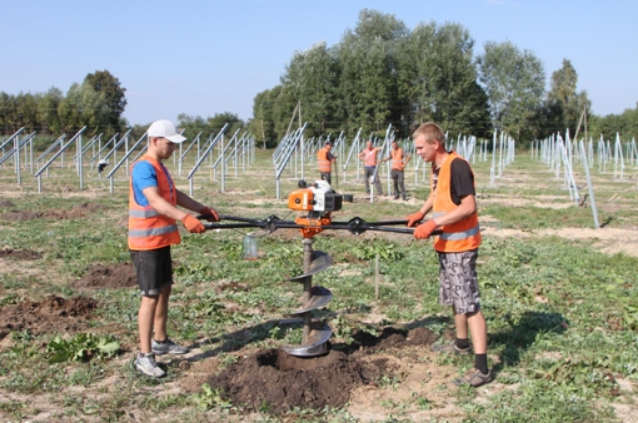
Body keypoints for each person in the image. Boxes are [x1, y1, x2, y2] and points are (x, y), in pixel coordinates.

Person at [129, 119, 219, 378]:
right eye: (170, 144)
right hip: (145, 243)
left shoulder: (159, 167)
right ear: (155, 140)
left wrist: (200, 209)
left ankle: (161, 339)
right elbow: (156, 201)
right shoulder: (143, 168)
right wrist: (184, 218)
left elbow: (173, 194)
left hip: (160, 241)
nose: (173, 149)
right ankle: (144, 356)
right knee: (150, 296)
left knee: (164, 290)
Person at [406, 122, 492, 388]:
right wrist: (421, 213)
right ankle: (461, 343)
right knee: (456, 296)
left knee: (469, 303)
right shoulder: (438, 166)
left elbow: (468, 206)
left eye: (421, 147)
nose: (418, 152)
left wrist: (433, 225)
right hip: (447, 244)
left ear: (436, 144)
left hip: (461, 246)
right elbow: (436, 194)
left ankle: (482, 368)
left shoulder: (457, 166)